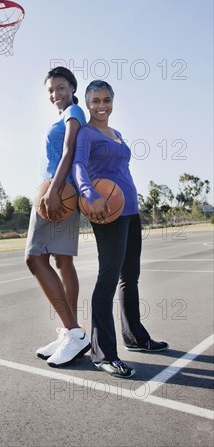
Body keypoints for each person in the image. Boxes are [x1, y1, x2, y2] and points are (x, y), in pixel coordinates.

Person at [72, 80, 168, 378]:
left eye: (107, 99)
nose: (102, 105)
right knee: (108, 278)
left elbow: (121, 170)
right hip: (107, 212)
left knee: (130, 277)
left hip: (130, 210)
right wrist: (90, 194)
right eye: (96, 100)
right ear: (87, 103)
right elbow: (78, 165)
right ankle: (103, 354)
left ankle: (136, 338)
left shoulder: (117, 134)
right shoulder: (85, 133)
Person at [25, 66, 91, 367]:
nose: (55, 94)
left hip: (59, 193)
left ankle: (74, 332)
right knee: (63, 261)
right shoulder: (62, 114)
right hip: (57, 191)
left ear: (72, 87)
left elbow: (68, 150)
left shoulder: (73, 112)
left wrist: (54, 190)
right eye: (51, 90)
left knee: (34, 257)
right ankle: (69, 331)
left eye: (61, 87)